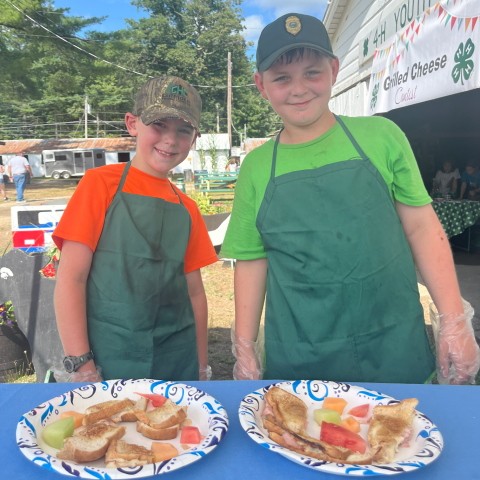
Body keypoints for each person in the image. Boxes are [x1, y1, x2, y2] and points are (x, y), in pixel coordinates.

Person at [221, 13, 479, 385]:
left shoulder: (382, 135)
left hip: (392, 343)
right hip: (300, 352)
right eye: (281, 78)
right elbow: (251, 260)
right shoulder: (256, 167)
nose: (299, 88)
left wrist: (453, 319)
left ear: (334, 69)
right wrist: (244, 347)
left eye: (312, 72)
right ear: (261, 85)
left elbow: (422, 228)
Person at [53, 76, 218, 382]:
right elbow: (70, 279)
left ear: (194, 138)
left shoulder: (188, 209)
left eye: (183, 131)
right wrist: (82, 365)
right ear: (132, 124)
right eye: (159, 125)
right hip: (109, 357)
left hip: (177, 360)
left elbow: (195, 294)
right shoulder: (99, 185)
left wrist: (201, 365)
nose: (170, 140)